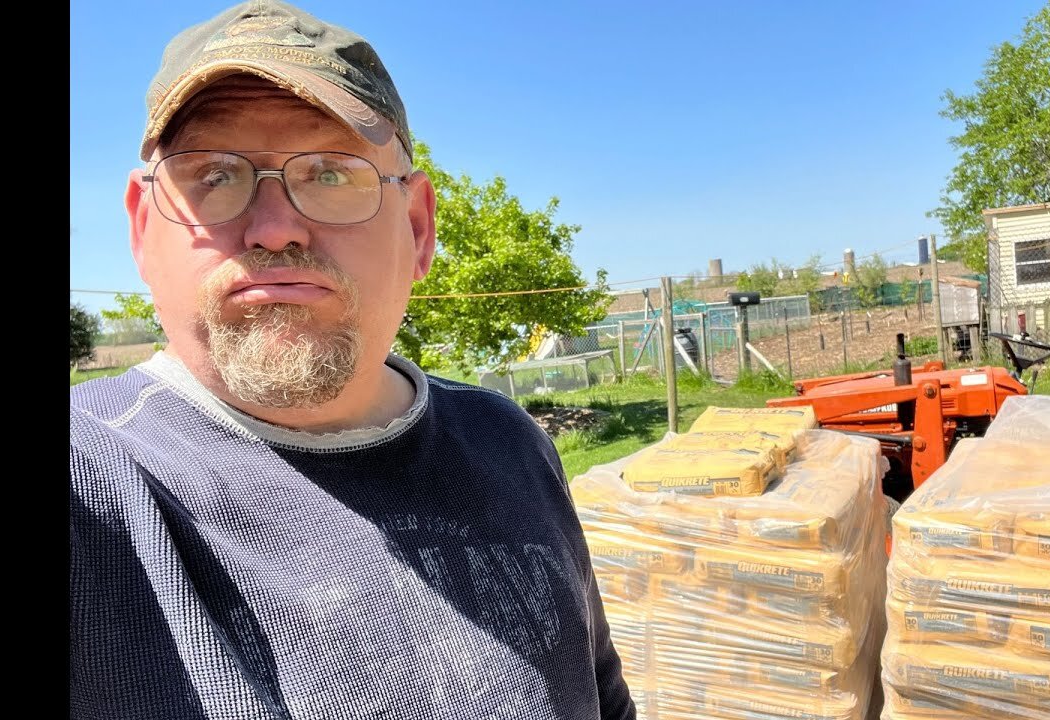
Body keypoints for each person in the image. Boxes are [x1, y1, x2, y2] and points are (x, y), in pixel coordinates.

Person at [69, 2, 636, 718]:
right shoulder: (93, 481)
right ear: (143, 227)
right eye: (213, 174)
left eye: (332, 173)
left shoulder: (511, 441)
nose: (275, 229)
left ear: (419, 225)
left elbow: (603, 694)